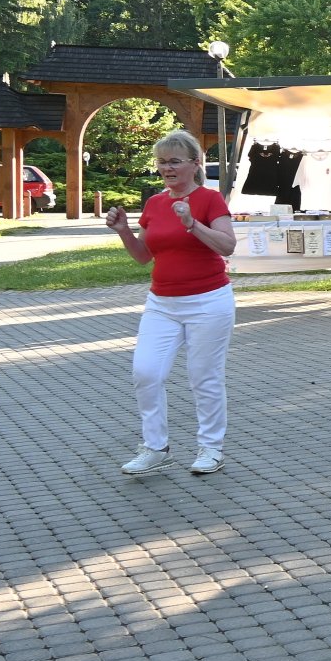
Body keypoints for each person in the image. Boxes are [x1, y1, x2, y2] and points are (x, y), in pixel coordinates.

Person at [107, 129, 239, 477]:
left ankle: (210, 449)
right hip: (162, 304)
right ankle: (155, 448)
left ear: (195, 164)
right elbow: (142, 257)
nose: (167, 168)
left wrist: (192, 224)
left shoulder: (210, 200)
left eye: (174, 161)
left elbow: (227, 246)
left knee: (204, 378)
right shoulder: (154, 203)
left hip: (208, 302)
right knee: (146, 372)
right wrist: (123, 230)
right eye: (162, 162)